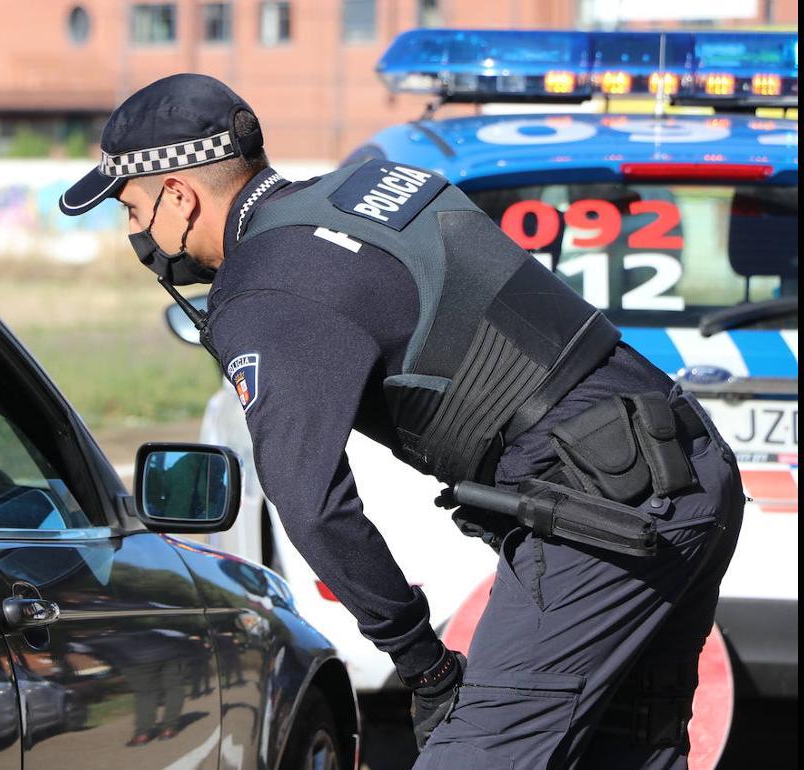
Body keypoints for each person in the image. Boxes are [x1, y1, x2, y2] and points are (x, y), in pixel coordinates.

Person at [59, 73, 743, 769]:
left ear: (179, 195)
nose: (135, 232)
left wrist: (423, 663)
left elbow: (312, 505)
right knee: (624, 753)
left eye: (133, 207)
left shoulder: (263, 290)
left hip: (606, 508)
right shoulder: (366, 189)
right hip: (688, 462)